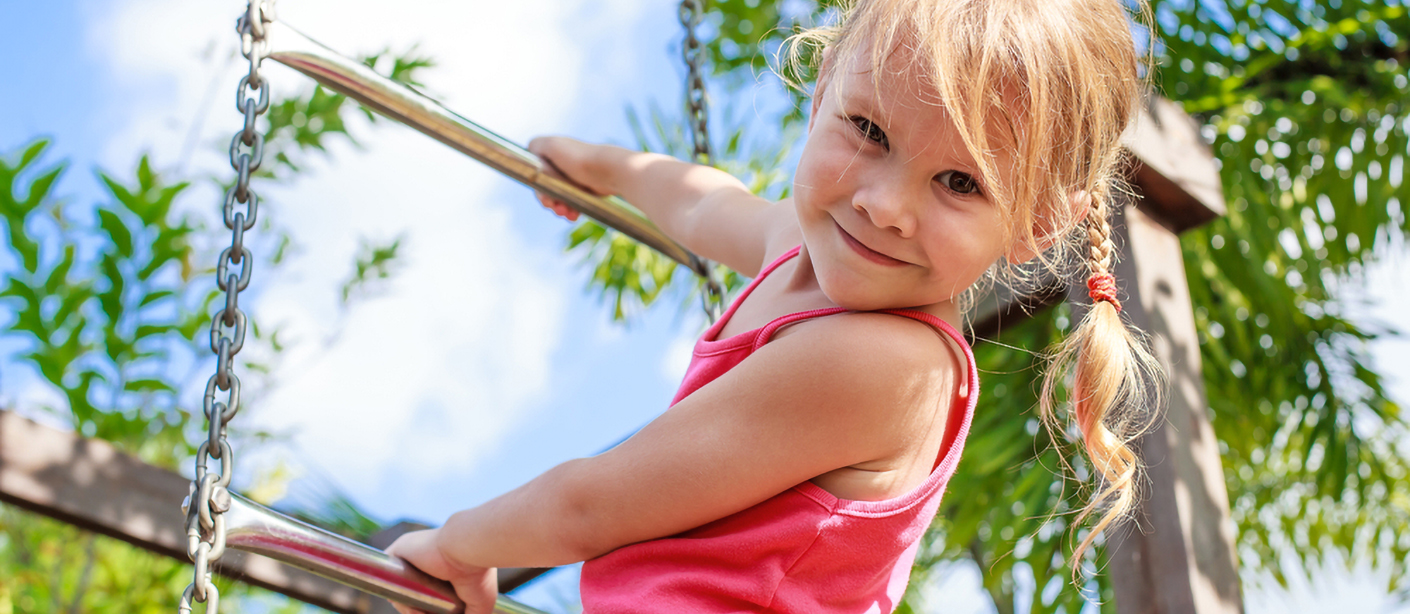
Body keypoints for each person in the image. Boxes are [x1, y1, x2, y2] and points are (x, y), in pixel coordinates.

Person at [387, 0, 1161, 611]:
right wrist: (603, 168)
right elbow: (701, 203)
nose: (885, 205)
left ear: (1035, 224)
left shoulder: (886, 364)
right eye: (868, 130)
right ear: (823, 89)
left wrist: (457, 547)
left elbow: (591, 506)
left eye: (961, 183)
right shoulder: (798, 239)